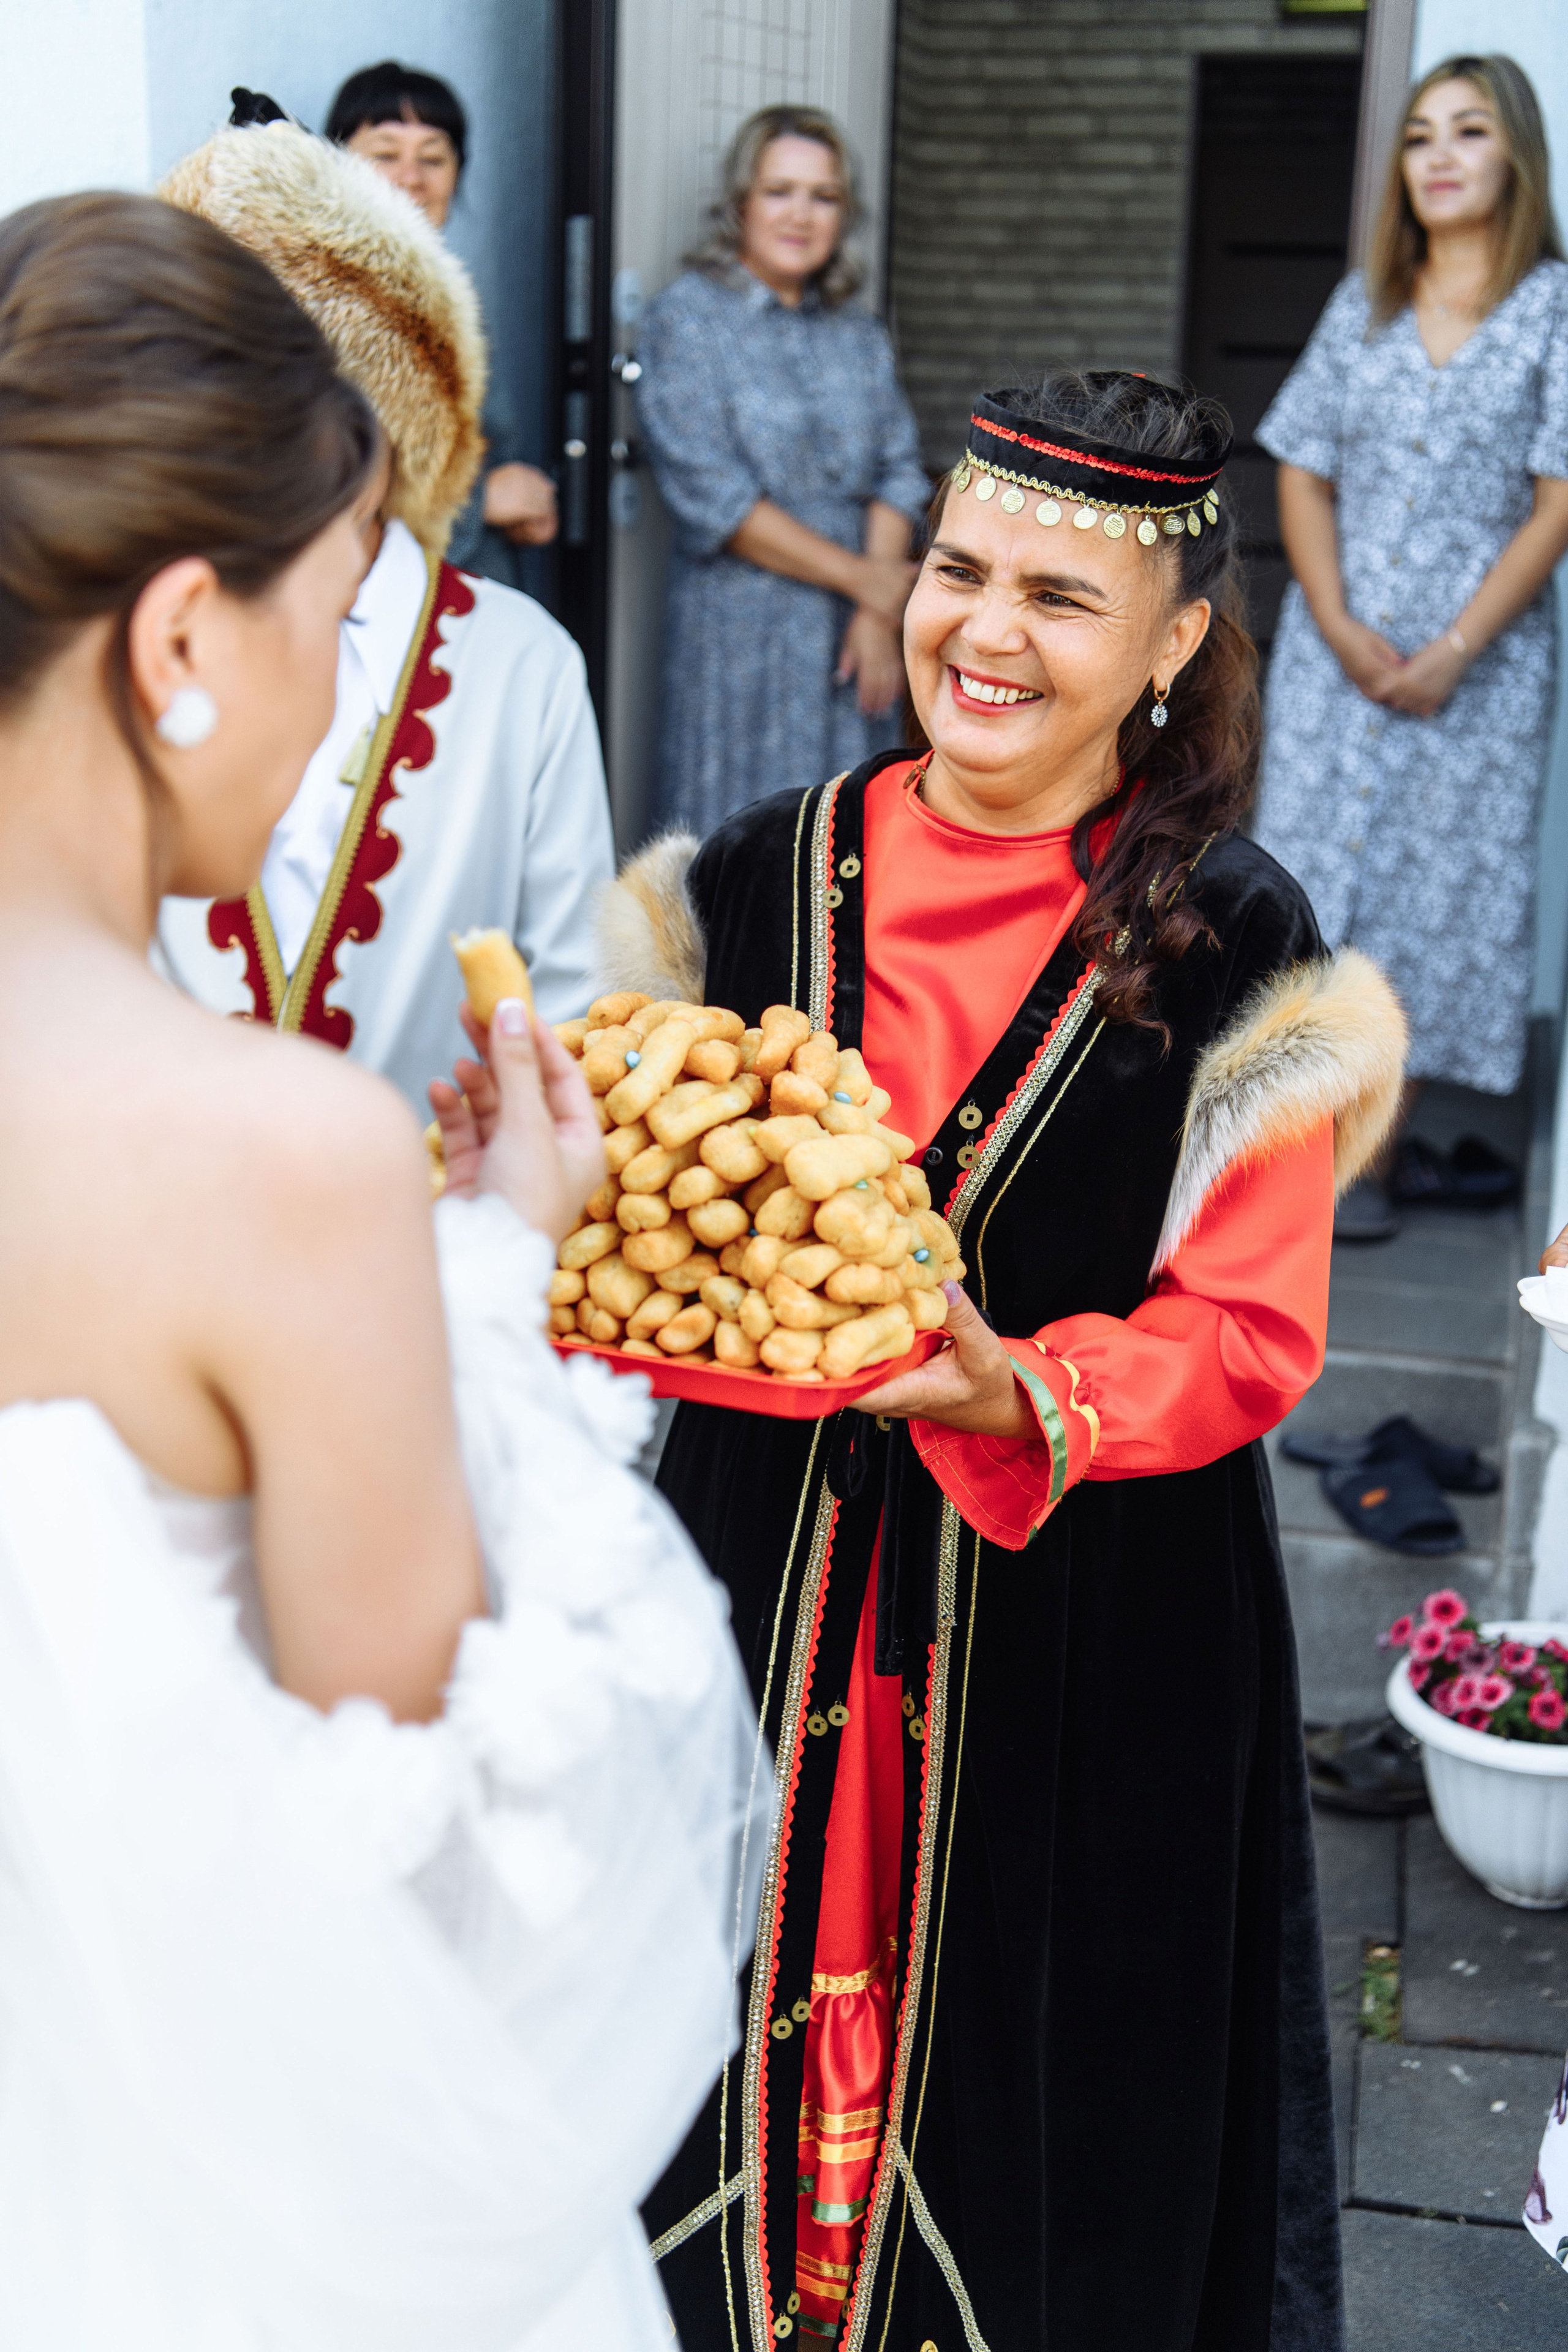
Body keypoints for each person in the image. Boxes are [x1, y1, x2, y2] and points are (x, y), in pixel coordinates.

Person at [0, 188, 754, 2348]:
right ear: (174, 644)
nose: (354, 687)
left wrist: (470, 1253)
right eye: (338, 621)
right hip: (203, 2223)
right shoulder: (280, 1165)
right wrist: (497, 1293)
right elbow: (447, 1890)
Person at [603, 369, 1408, 2349]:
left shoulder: (1241, 940)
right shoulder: (749, 881)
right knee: (684, 2064)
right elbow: (636, 1213)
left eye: (1061, 597)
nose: (982, 629)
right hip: (756, 1579)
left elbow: (1248, 1328)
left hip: (1084, 1627)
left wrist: (1017, 1386)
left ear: (1177, 644)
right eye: (961, 569)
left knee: (1049, 2131)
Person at [156, 118, 612, 1113]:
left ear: (384, 415)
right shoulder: (142, 643)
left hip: (442, 1234)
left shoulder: (517, 663)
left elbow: (580, 999)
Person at [1254, 53, 1568, 1240]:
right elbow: (1300, 462)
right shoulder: (1364, 305)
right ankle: (1293, 1144)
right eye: (1418, 134)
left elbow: (1555, 498)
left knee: (1435, 898)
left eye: (1467, 131)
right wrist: (1332, 624)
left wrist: (1448, 648)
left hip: (1473, 676)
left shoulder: (1549, 309)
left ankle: (1370, 1152)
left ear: (1512, 157)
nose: (1436, 154)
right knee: (1313, 881)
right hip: (1338, 663)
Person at [635, 105, 930, 836]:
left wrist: (872, 612)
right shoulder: (686, 319)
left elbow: (898, 468)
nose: (801, 214)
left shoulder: (858, 332)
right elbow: (716, 501)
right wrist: (867, 582)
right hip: (740, 630)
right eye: (779, 191)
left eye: (823, 196)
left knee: (845, 836)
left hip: (852, 633)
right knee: (737, 834)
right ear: (739, 202)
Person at [326, 56, 559, 577]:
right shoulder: (321, 303)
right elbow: (330, 479)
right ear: (335, 171)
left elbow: (491, 443)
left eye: (434, 159)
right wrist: (483, 501)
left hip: (471, 587)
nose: (411, 178)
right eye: (385, 154)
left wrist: (525, 500)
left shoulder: (453, 294)